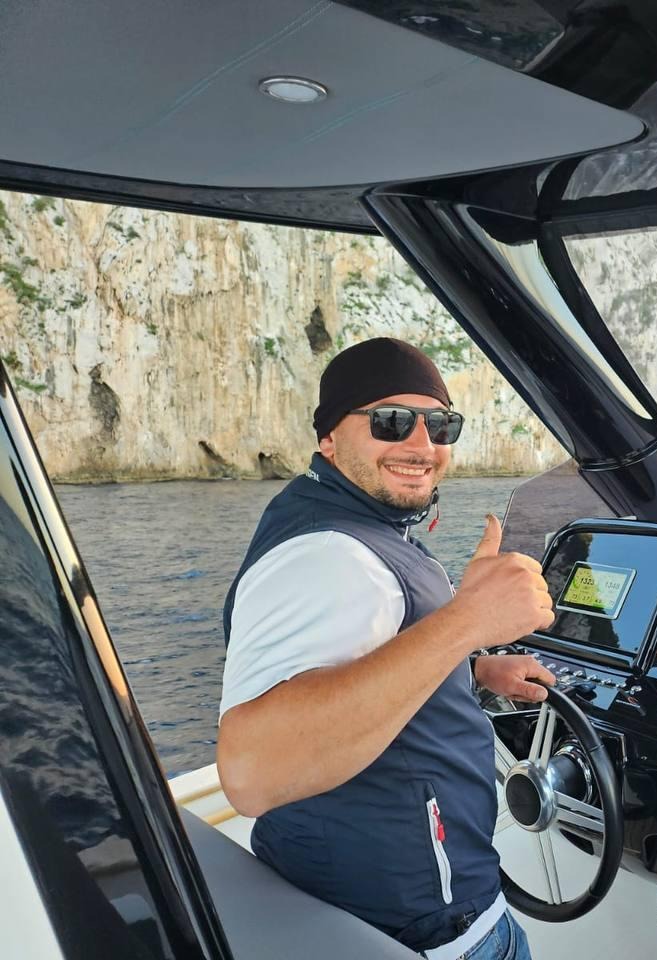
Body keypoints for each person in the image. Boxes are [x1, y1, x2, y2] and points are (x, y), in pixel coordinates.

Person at [216, 337, 556, 959]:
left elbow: (359, 655)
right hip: (429, 935)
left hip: (348, 904)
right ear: (329, 437)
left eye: (441, 425)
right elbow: (251, 774)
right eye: (391, 422)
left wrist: (472, 668)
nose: (423, 445)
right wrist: (468, 621)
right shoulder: (330, 555)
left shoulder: (338, 518)